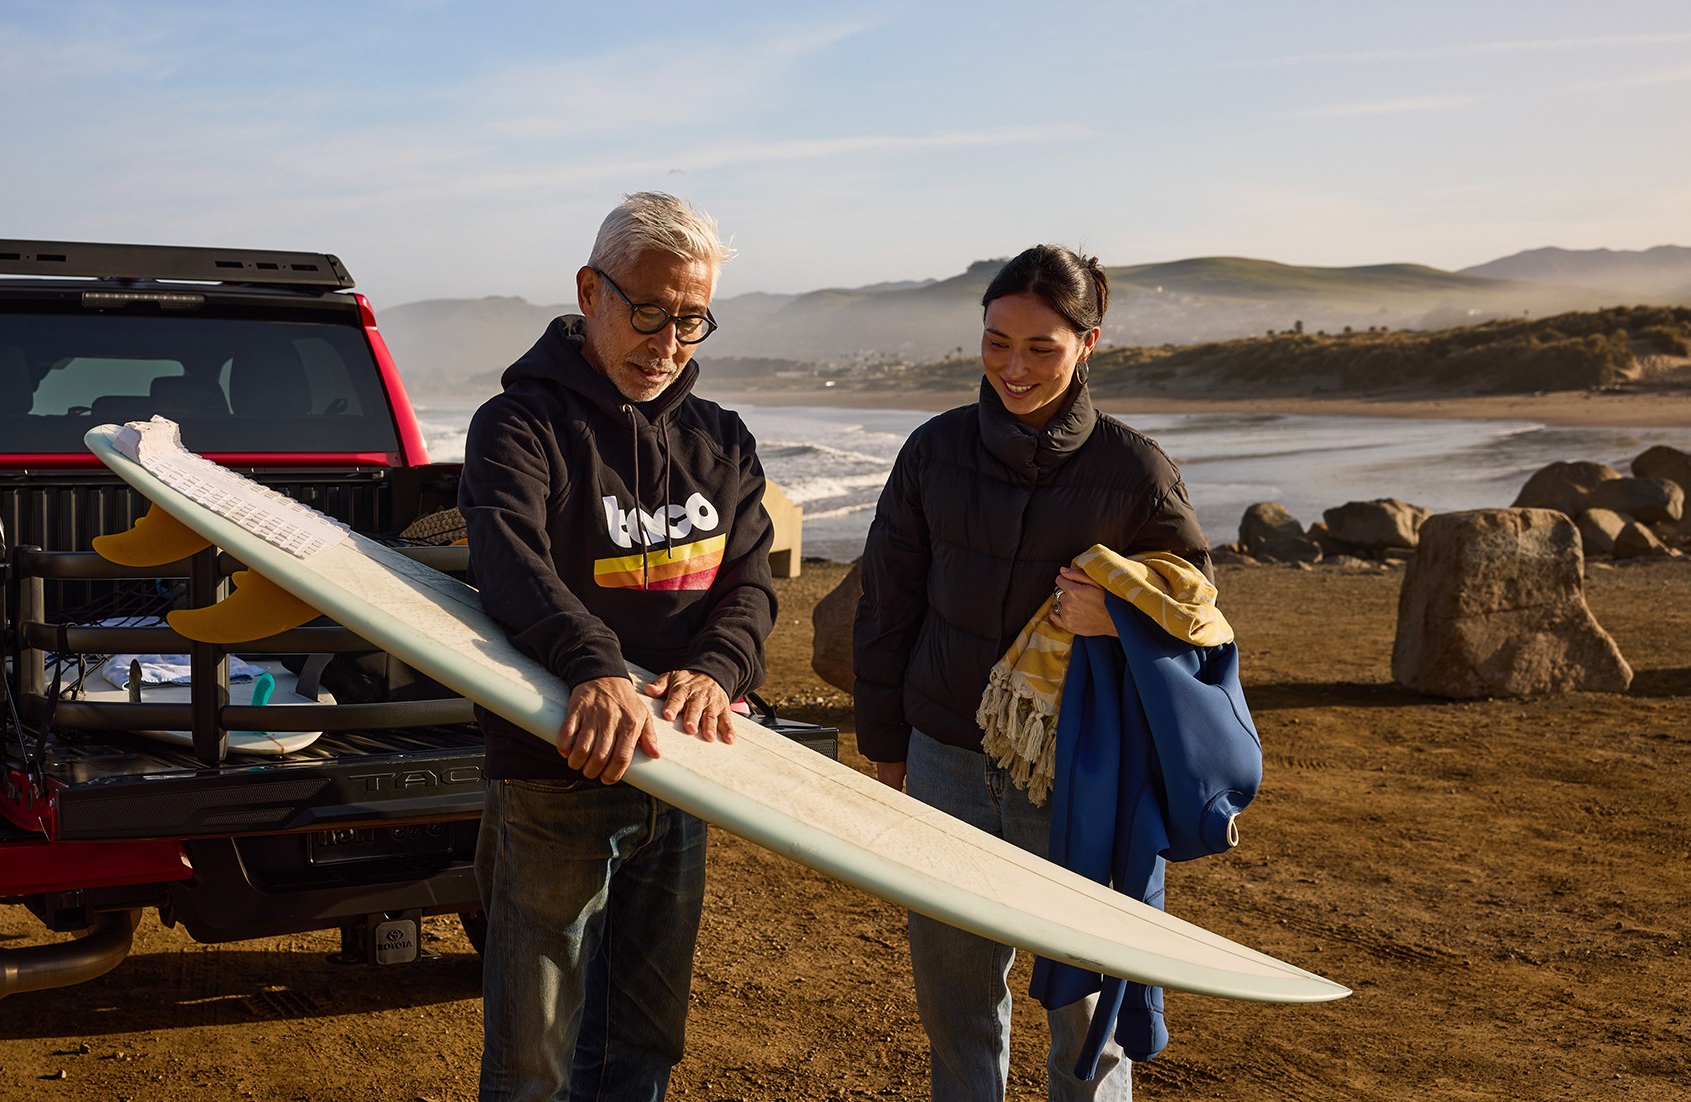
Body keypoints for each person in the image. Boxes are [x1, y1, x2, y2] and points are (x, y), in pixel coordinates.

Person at [852, 244, 1210, 1101]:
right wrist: (884, 743)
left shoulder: (1134, 471)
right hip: (944, 757)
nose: (1014, 367)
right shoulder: (933, 451)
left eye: (1040, 347)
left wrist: (1116, 618)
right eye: (995, 342)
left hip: (1078, 774)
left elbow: (1197, 621)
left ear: (1089, 343)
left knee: (1087, 1022)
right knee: (956, 1006)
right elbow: (887, 605)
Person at [459, 191, 777, 1102]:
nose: (668, 342)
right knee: (535, 1062)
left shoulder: (722, 440)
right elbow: (513, 568)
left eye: (691, 320)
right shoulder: (518, 426)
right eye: (647, 311)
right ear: (590, 290)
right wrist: (595, 669)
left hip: (677, 775)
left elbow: (750, 586)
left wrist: (717, 673)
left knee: (643, 1043)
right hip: (554, 769)